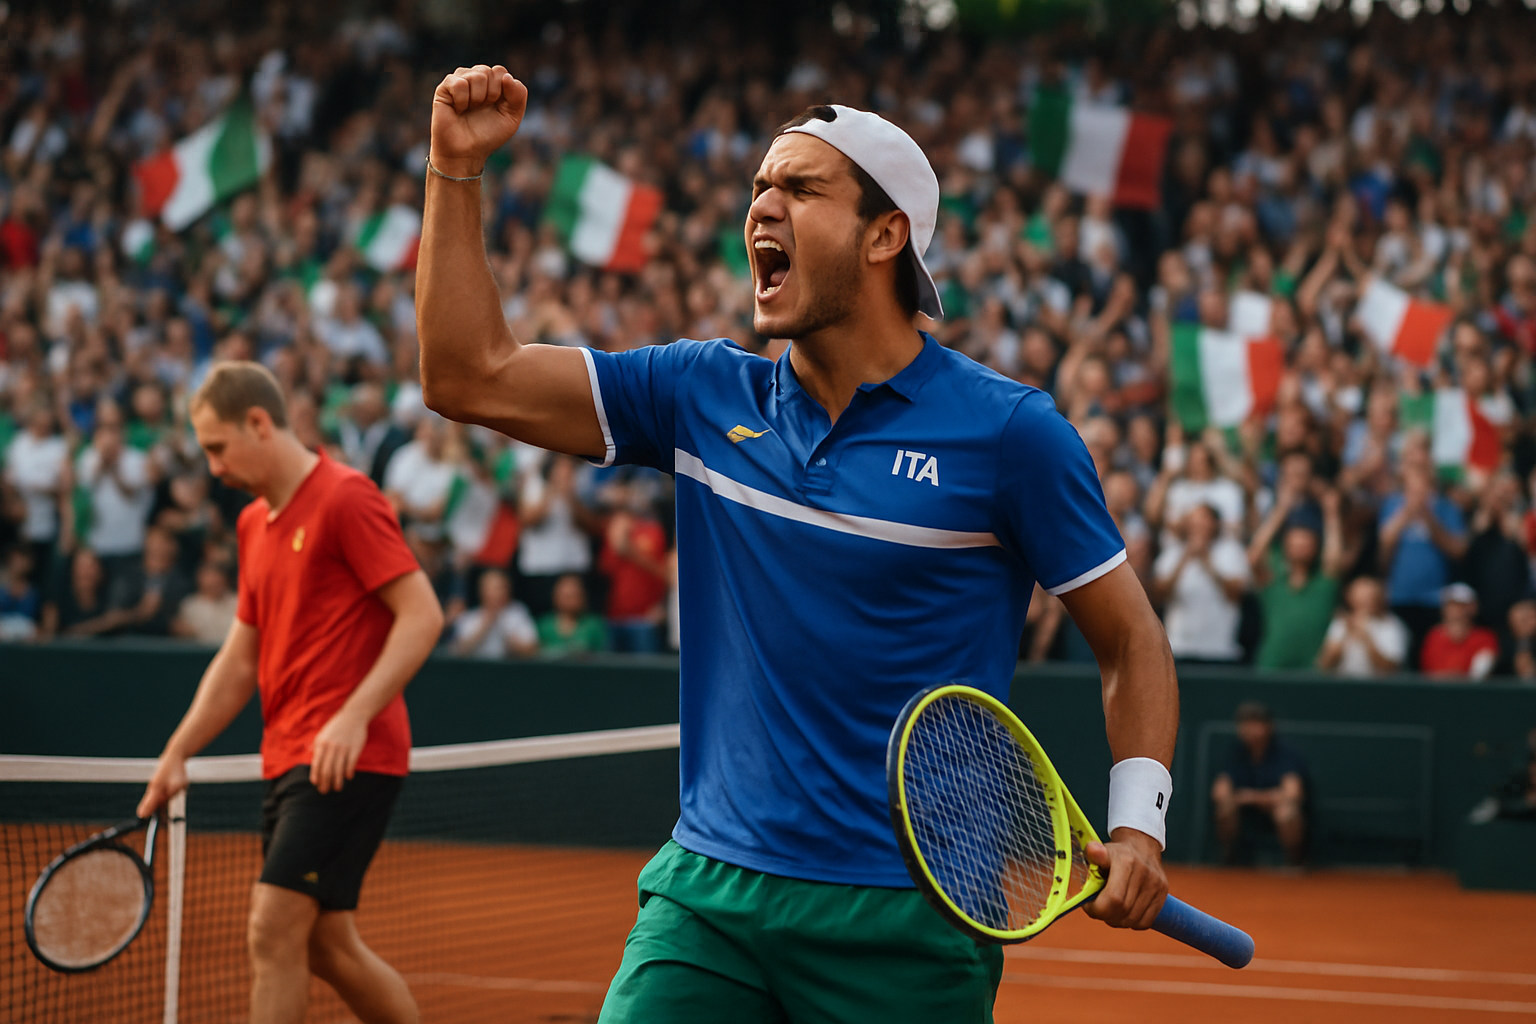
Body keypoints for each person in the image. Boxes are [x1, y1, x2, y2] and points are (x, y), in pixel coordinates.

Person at [419, 74, 1178, 1023]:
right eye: (758, 189)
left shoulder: (1011, 435)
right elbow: (466, 376)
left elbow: (1130, 640)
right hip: (709, 897)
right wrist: (453, 170)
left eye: (802, 189)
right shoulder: (699, 393)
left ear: (883, 235)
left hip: (911, 924)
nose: (761, 205)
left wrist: (1138, 827)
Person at [136, 362, 442, 1024]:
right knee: (327, 945)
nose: (212, 468)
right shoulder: (253, 524)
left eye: (217, 447)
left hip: (342, 757)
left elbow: (423, 615)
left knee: (271, 929)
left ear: (259, 423)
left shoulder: (346, 498)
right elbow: (241, 655)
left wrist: (354, 717)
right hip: (289, 755)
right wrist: (177, 751)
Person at [1248, 487, 1344, 670]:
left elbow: (1334, 560)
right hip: (1271, 665)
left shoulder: (1323, 585)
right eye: (1295, 540)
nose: (1300, 545)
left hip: (1313, 670)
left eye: (1307, 541)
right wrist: (1281, 509)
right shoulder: (1273, 583)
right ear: (1285, 545)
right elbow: (1254, 556)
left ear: (1316, 547)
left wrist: (1331, 514)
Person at [1210, 701, 1308, 865]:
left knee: (1286, 813)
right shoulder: (1235, 751)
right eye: (1244, 723)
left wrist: (1252, 797)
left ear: (1268, 726)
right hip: (1246, 812)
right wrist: (1237, 799)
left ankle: (1295, 861)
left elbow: (1293, 793)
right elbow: (1218, 792)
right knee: (1224, 809)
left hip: (1275, 810)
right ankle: (1229, 856)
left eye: (1254, 723)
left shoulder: (1285, 752)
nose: (1248, 729)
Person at [1151, 503, 1251, 663]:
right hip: (1179, 647)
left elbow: (1235, 595)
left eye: (1204, 521)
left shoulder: (1231, 551)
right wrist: (1184, 558)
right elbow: (1159, 596)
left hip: (1220, 649)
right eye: (1193, 521)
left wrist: (1207, 562)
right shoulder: (1172, 553)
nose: (1198, 527)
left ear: (1215, 524)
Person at [1317, 576, 1410, 677]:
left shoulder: (1392, 625)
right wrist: (1345, 636)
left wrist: (1366, 639)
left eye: (1370, 595)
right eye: (1360, 595)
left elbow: (1392, 669)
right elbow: (1324, 665)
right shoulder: (1341, 623)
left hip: (1379, 689)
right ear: (1349, 597)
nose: (1365, 600)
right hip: (1344, 687)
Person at [449, 568, 538, 658]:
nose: (498, 593)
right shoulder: (469, 616)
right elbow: (460, 650)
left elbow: (532, 650)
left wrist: (506, 631)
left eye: (502, 587)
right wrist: (486, 623)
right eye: (493, 588)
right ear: (481, 591)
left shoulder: (518, 613)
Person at [1419, 583, 1500, 680]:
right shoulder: (1434, 636)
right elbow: (1430, 672)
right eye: (1452, 605)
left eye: (1461, 605)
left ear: (1473, 607)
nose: (1456, 610)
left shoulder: (1485, 637)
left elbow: (1478, 676)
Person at [536, 572, 608, 656]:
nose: (570, 601)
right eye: (566, 596)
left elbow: (603, 656)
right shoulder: (544, 625)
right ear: (555, 596)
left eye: (574, 595)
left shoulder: (594, 624)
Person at [172, 560, 239, 645]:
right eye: (209, 576)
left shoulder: (237, 602)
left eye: (217, 575)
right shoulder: (189, 605)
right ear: (199, 578)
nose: (214, 581)